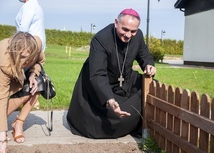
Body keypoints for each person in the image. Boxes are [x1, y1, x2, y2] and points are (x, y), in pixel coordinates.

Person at [66, 8, 156, 139]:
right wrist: (109, 99)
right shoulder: (101, 39)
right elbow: (97, 74)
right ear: (116, 23)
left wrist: (149, 65)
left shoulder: (138, 36)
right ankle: (127, 120)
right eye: (124, 29)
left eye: (133, 31)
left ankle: (133, 121)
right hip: (99, 86)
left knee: (151, 86)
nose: (128, 35)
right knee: (104, 120)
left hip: (123, 80)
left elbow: (144, 55)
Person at [0, 32, 45, 153]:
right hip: (4, 77)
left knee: (39, 84)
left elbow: (41, 61)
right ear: (15, 53)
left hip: (20, 75)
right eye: (23, 57)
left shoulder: (36, 45)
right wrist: (2, 139)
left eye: (29, 58)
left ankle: (18, 124)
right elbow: (2, 98)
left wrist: (32, 74)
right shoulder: (4, 59)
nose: (26, 62)